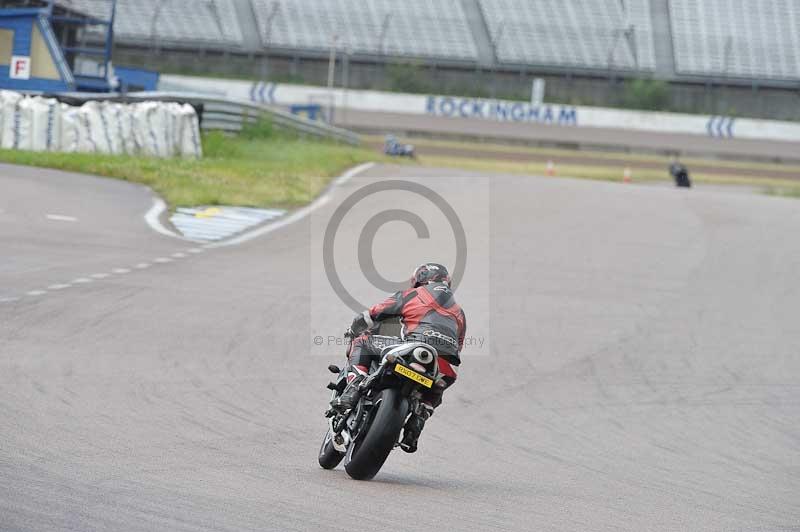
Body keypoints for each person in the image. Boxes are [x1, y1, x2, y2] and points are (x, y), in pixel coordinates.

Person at [331, 263, 466, 453]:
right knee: (437, 387)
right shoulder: (460, 312)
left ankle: (353, 389)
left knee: (363, 341)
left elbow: (371, 315)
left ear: (420, 279)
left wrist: (354, 329)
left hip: (414, 347)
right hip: (447, 363)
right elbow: (458, 345)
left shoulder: (412, 295)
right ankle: (417, 422)